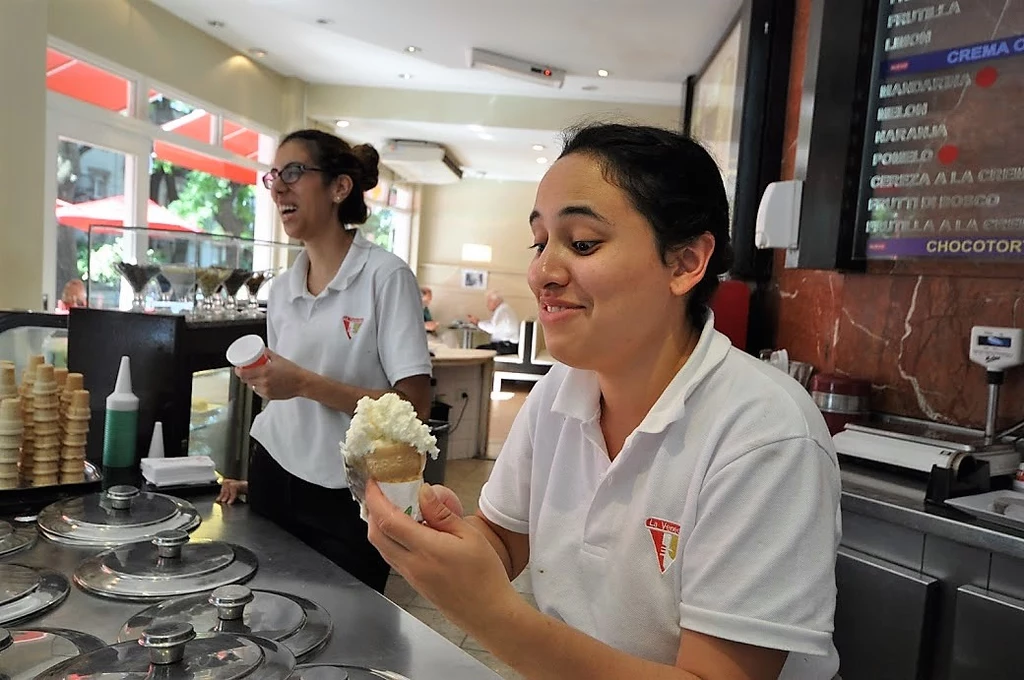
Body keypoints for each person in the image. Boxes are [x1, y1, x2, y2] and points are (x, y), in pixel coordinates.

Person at [364, 123, 841, 679]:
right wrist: (443, 540)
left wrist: (489, 613)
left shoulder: (765, 435)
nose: (543, 271)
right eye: (540, 243)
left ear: (685, 262)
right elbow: (501, 538)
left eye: (583, 243)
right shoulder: (558, 394)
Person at [220, 128, 432, 594]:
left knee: (348, 636)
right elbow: (285, 402)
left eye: (294, 172)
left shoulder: (385, 276)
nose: (278, 186)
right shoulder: (281, 290)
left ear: (340, 188)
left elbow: (414, 406)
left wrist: (304, 384)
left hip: (349, 496)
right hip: (274, 474)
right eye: (274, 175)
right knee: (272, 615)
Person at [468, 290, 520, 355]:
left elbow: (493, 328)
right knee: (480, 349)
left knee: (478, 350)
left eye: (489, 301)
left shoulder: (502, 311)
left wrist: (478, 323)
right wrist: (479, 323)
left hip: (507, 346)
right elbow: (493, 324)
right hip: (508, 345)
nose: (487, 304)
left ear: (495, 301)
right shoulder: (504, 309)